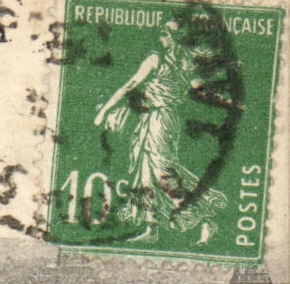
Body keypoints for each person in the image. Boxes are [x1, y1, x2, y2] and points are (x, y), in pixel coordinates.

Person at [92, 21, 227, 243]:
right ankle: (151, 227)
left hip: (160, 120)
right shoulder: (184, 64)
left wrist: (105, 110)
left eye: (165, 34)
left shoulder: (162, 61)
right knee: (145, 172)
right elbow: (203, 90)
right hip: (154, 119)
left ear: (174, 38)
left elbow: (130, 86)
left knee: (162, 173)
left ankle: (204, 217)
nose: (161, 38)